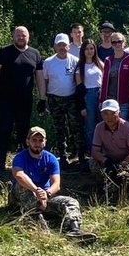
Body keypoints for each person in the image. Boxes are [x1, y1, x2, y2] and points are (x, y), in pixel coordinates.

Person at [10, 127, 96, 242]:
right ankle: (40, 228)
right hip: (21, 197)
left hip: (45, 196)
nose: (37, 143)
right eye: (34, 140)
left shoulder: (51, 159)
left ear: (45, 142)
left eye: (40, 140)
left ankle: (74, 231)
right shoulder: (20, 157)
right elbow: (19, 175)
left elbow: (56, 184)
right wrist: (36, 191)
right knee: (23, 187)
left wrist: (46, 193)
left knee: (71, 202)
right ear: (27, 141)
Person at [0, 26, 47, 176]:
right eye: (18, 35)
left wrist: (42, 98)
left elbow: (39, 77)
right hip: (5, 101)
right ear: (13, 36)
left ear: (29, 37)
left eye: (24, 35)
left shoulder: (35, 54)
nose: (21, 37)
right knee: (3, 132)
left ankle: (24, 167)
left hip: (25, 102)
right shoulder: (3, 52)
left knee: (24, 135)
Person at [43, 33, 85, 168]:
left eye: (64, 45)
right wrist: (43, 99)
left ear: (68, 46)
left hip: (71, 98)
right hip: (54, 99)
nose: (62, 47)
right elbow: (44, 81)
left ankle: (81, 156)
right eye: (59, 45)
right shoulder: (48, 62)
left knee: (76, 127)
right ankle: (63, 156)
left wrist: (80, 100)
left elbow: (79, 82)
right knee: (59, 128)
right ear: (55, 46)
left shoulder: (75, 60)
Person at [90, 100, 129, 196]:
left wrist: (123, 163)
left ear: (118, 113)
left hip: (125, 161)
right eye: (106, 114)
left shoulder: (127, 127)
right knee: (92, 162)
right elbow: (94, 151)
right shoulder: (99, 127)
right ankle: (106, 183)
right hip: (109, 160)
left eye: (113, 113)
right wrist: (106, 161)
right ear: (102, 114)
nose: (109, 117)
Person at [75, 38, 103, 155]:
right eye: (86, 49)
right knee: (90, 126)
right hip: (88, 96)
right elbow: (79, 89)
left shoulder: (100, 63)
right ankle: (92, 154)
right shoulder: (80, 67)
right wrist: (82, 107)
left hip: (101, 95)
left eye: (91, 48)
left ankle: (105, 151)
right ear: (83, 51)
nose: (89, 51)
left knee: (103, 123)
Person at [99, 32, 129, 120]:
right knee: (109, 128)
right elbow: (104, 81)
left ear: (124, 42)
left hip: (124, 101)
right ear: (111, 44)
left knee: (122, 128)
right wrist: (101, 100)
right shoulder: (108, 60)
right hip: (109, 101)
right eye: (114, 42)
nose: (117, 44)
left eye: (119, 41)